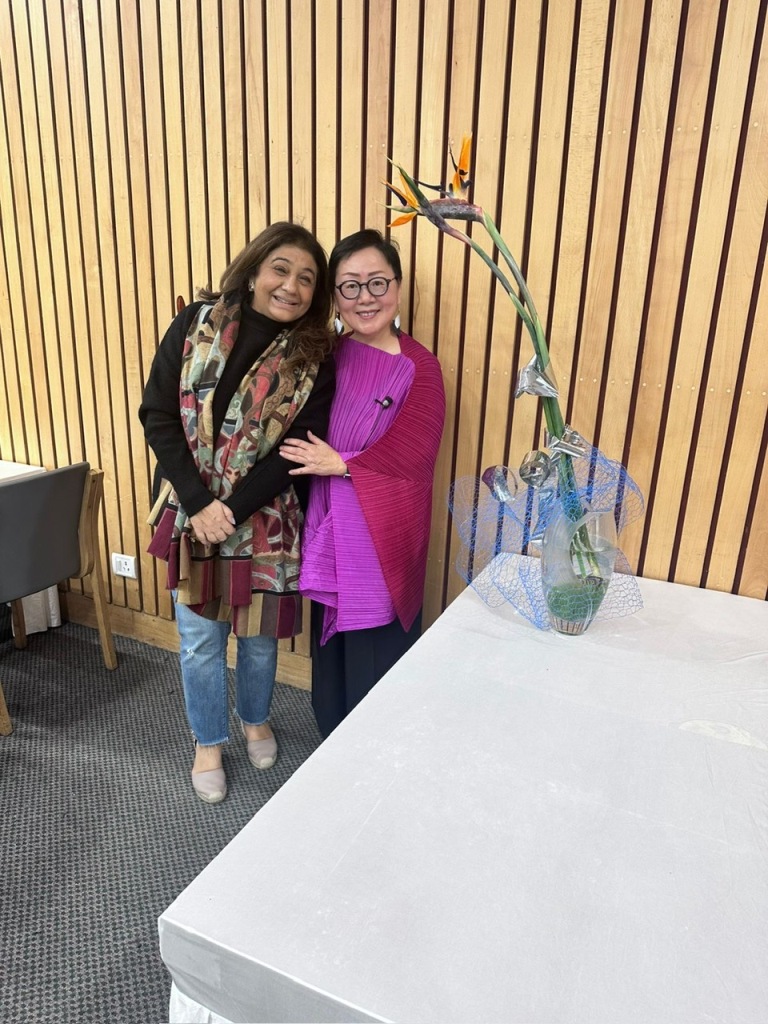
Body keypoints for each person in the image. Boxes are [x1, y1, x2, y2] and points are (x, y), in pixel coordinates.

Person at [140, 223, 335, 803]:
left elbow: (295, 449)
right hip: (192, 511)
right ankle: (207, 743)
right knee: (201, 640)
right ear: (253, 272)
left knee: (259, 639)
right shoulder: (193, 325)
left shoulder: (314, 358)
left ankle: (255, 720)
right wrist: (200, 505)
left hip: (266, 520)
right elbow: (157, 414)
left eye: (307, 278)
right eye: (281, 269)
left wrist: (229, 510)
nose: (291, 286)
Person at [279, 229, 445, 737]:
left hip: (380, 538)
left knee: (376, 665)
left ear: (398, 287)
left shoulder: (420, 367)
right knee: (332, 663)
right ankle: (331, 746)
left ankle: (376, 759)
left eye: (377, 282)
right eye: (350, 286)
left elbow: (415, 463)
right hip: (327, 524)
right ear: (335, 295)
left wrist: (342, 464)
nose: (365, 297)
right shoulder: (326, 354)